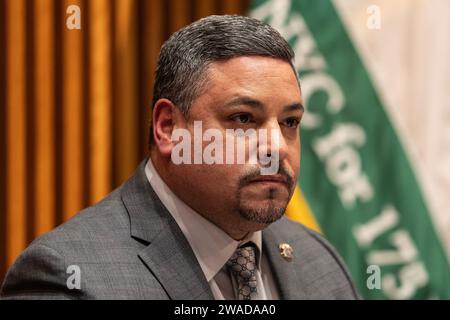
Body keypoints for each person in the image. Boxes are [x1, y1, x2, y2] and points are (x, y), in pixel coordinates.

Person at [0, 15, 359, 300]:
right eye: (243, 119)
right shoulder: (69, 277)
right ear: (169, 127)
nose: (277, 147)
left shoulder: (319, 261)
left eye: (289, 122)